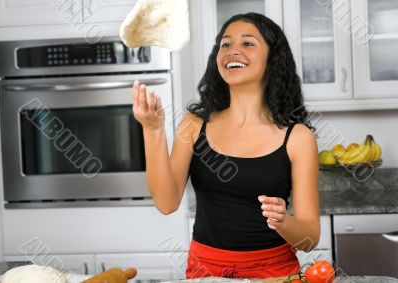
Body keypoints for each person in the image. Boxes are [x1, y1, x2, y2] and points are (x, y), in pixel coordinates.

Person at [132, 12, 320, 279]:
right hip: (206, 271)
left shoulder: (297, 137)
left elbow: (309, 240)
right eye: (225, 44)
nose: (233, 51)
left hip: (274, 273)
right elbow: (166, 202)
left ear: (272, 58)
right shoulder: (194, 125)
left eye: (247, 43)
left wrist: (284, 222)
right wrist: (152, 130)